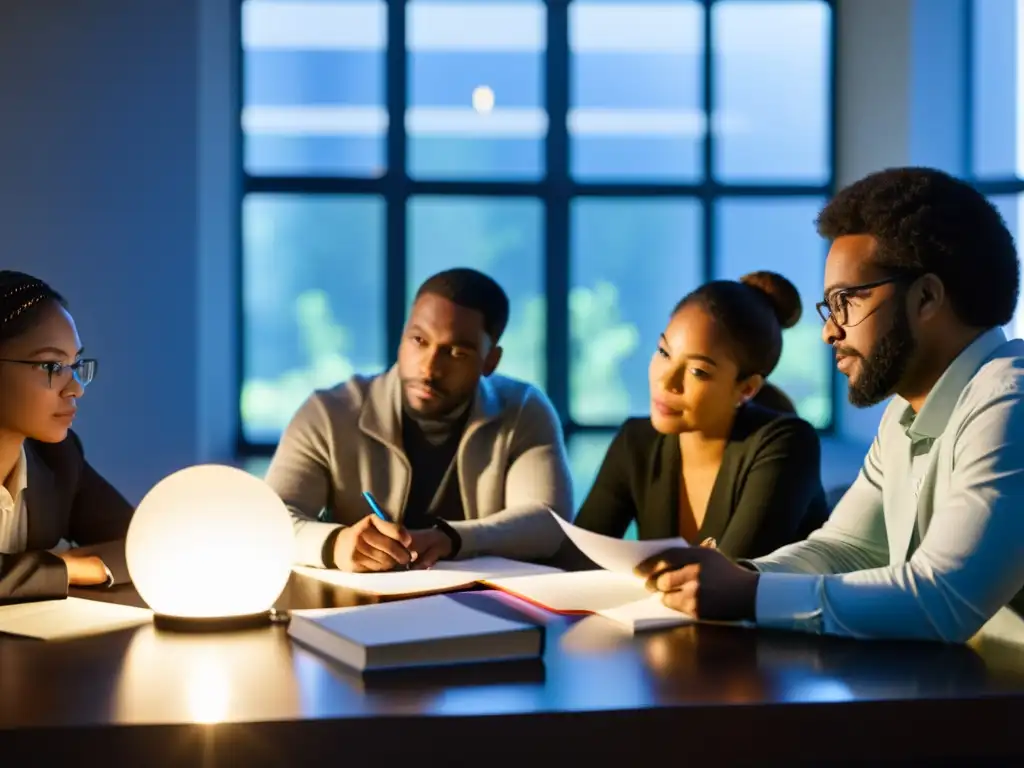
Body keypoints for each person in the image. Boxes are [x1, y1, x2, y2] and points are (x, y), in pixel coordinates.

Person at [636, 167, 1024, 643]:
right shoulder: (905, 415)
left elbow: (942, 598)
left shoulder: (1010, 400)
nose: (829, 331)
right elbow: (846, 548)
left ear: (926, 297)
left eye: (846, 302)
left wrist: (747, 594)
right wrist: (733, 576)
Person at [267, 267, 573, 572]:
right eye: (418, 340)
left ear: (490, 361)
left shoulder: (523, 410)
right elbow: (269, 520)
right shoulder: (329, 412)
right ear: (402, 336)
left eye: (455, 353)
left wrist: (453, 539)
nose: (428, 369)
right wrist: (336, 544)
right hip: (358, 609)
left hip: (482, 607)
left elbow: (548, 522)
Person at [573, 272, 828, 560]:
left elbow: (727, 584)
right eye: (663, 352)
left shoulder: (787, 444)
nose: (667, 381)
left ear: (746, 389)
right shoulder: (636, 441)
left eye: (698, 372)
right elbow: (576, 561)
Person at [0, 271, 134, 601]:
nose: (75, 388)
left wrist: (81, 565)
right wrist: (59, 569)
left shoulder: (56, 458)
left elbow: (142, 541)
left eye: (75, 365)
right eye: (51, 366)